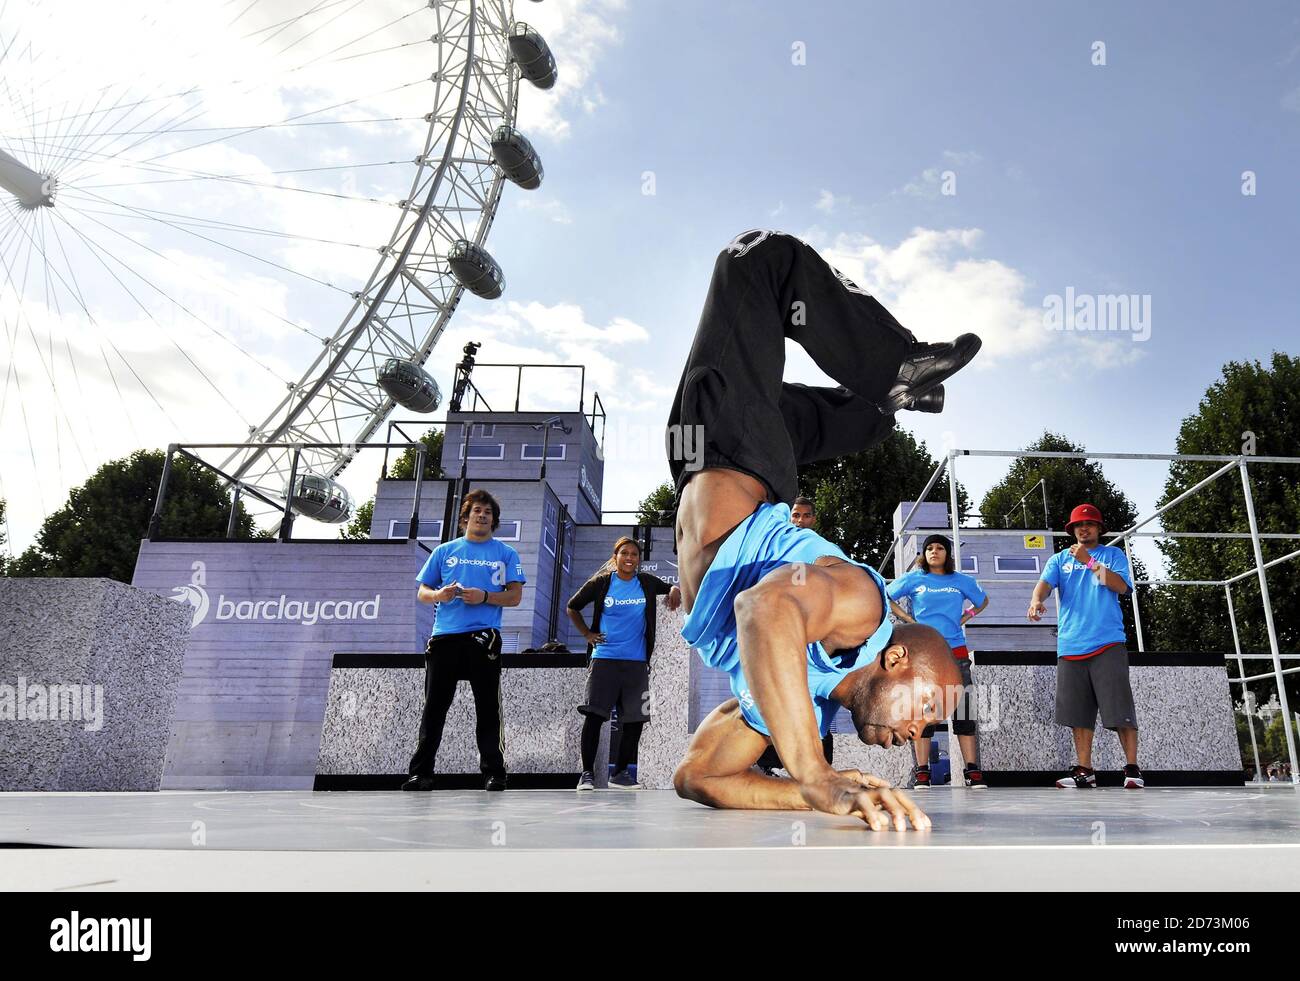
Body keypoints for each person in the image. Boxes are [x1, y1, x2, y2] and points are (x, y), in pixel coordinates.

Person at [666, 227, 982, 830]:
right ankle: (893, 367)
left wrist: (821, 792)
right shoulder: (864, 608)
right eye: (925, 709)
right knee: (759, 259)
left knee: (828, 420)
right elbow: (764, 609)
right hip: (735, 453)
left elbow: (699, 776)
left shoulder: (795, 697)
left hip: (712, 455)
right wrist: (811, 772)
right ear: (894, 660)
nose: (920, 731)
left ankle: (881, 409)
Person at [402, 489, 526, 792]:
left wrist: (485, 596)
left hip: (484, 637)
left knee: (487, 709)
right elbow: (422, 592)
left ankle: (494, 773)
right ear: (466, 517)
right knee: (434, 707)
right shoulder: (445, 551)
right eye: (477, 511)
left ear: (494, 520)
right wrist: (440, 595)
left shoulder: (506, 553)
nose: (482, 515)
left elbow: (515, 597)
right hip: (444, 637)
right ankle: (421, 773)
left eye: (488, 512)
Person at [1027, 503, 1142, 789]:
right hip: (1070, 645)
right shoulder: (1058, 560)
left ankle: (1131, 768)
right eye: (1078, 525)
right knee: (1078, 713)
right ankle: (1085, 770)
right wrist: (1036, 600)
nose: (1084, 528)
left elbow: (1120, 587)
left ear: (1099, 528)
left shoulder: (1112, 555)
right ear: (1072, 530)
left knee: (1119, 709)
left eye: (1089, 524)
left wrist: (1089, 561)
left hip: (1107, 642)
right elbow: (1043, 584)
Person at [567, 536, 682, 790]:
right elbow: (572, 607)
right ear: (615, 557)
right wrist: (587, 634)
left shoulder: (645, 583)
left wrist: (674, 590)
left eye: (634, 554)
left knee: (635, 719)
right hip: (604, 660)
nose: (629, 558)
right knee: (595, 717)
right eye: (625, 554)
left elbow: (670, 588)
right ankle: (586, 774)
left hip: (636, 663)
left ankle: (619, 774)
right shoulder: (602, 583)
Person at [887, 534, 990, 788]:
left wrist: (964, 617)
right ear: (924, 554)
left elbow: (982, 601)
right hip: (924, 655)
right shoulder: (915, 579)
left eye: (940, 548)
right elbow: (886, 596)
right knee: (925, 713)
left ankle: (972, 771)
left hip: (956, 653)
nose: (934, 551)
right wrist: (909, 622)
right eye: (930, 548)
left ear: (948, 554)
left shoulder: (960, 581)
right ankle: (923, 771)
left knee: (965, 711)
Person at [756, 495, 835, 776]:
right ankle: (766, 764)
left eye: (805, 516)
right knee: (774, 697)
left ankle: (821, 768)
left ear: (813, 519)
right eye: (795, 515)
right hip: (779, 633)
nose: (800, 521)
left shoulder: (822, 549)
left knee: (817, 698)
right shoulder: (776, 548)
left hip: (814, 636)